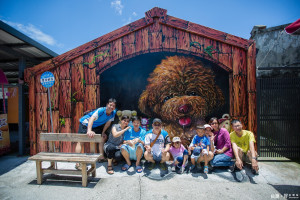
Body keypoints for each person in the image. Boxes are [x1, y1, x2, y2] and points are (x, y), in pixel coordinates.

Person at [75, 98, 117, 170]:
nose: (111, 107)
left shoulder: (113, 112)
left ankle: (101, 157)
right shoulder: (101, 110)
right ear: (107, 105)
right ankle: (77, 163)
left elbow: (108, 123)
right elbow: (91, 119)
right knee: (80, 141)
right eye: (110, 105)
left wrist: (103, 132)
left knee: (102, 138)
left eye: (113, 106)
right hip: (85, 123)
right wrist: (89, 130)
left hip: (95, 126)